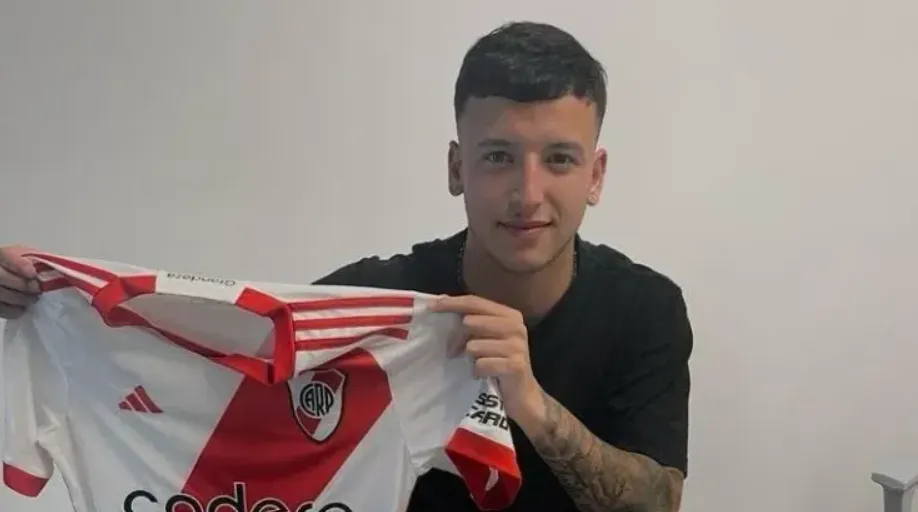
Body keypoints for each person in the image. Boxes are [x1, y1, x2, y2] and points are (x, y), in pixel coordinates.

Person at [0, 21, 693, 512]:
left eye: (560, 160)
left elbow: (657, 503)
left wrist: (530, 403)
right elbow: (217, 356)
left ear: (596, 174)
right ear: (458, 168)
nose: (528, 193)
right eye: (498, 156)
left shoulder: (645, 310)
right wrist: (57, 301)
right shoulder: (382, 299)